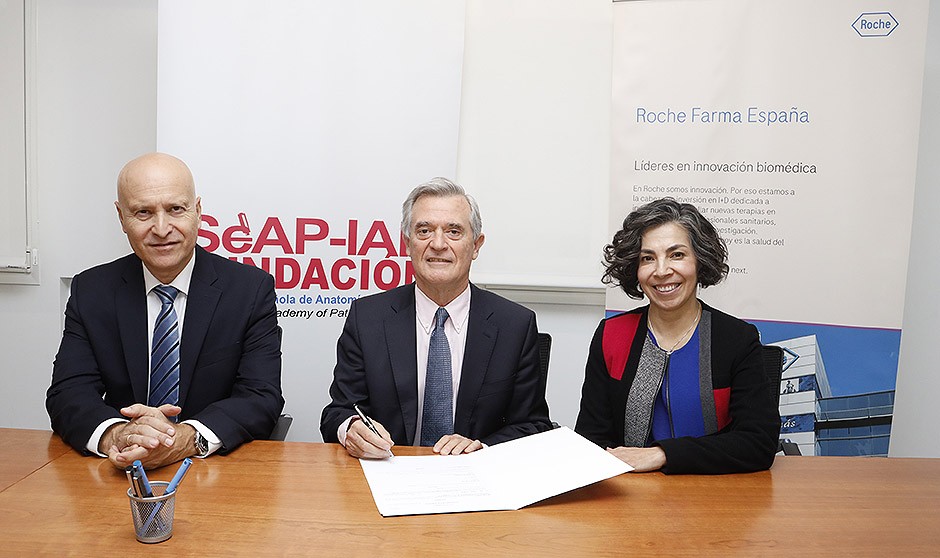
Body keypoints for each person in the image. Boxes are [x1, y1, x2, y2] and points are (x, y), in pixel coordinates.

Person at [46, 153, 284, 469]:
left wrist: (185, 438)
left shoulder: (249, 290)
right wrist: (119, 435)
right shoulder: (92, 290)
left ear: (198, 212)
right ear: (121, 218)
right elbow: (68, 393)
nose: (161, 228)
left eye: (175, 209)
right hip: (122, 468)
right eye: (143, 212)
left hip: (213, 470)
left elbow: (260, 397)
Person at [320, 178, 552, 458]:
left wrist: (483, 447)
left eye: (454, 231)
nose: (438, 244)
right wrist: (351, 428)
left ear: (476, 245)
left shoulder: (514, 325)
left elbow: (534, 425)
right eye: (424, 231)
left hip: (476, 480)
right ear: (407, 243)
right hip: (389, 475)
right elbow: (339, 412)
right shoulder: (367, 318)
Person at [575, 198, 779, 474]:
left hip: (714, 494)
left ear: (699, 260)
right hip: (628, 497)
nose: (661, 271)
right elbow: (590, 438)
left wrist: (662, 455)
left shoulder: (736, 339)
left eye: (677, 255)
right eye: (648, 258)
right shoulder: (611, 335)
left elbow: (758, 443)